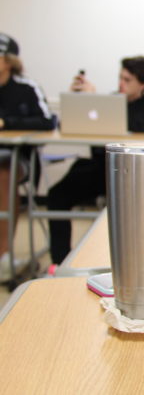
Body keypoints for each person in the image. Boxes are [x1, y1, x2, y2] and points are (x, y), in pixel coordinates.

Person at [47, 56, 144, 264]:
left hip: (129, 173)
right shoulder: (106, 103)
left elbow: (140, 128)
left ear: (143, 84)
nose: (121, 84)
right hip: (99, 167)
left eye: (127, 80)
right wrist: (81, 100)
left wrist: (98, 100)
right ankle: (60, 262)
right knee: (56, 196)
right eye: (120, 78)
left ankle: (126, 261)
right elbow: (73, 124)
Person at [0, 33, 54, 280]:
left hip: (17, 160)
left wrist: (6, 123)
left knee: (3, 173)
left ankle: (3, 254)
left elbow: (46, 121)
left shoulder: (26, 88)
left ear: (9, 61)